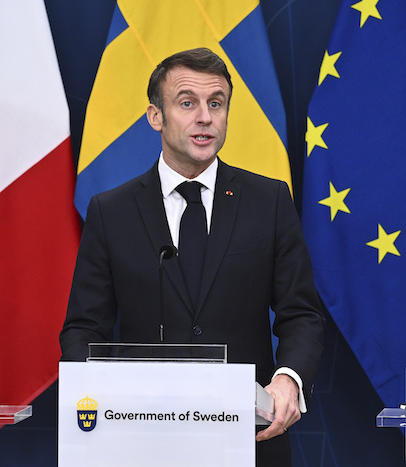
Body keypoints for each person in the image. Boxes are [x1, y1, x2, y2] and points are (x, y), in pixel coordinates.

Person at [60, 47, 325, 466]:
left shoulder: (268, 201)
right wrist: (99, 403)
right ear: (155, 116)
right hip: (138, 439)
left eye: (216, 104)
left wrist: (288, 380)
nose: (205, 117)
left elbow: (301, 315)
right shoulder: (111, 212)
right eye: (187, 103)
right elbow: (84, 329)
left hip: (247, 437)